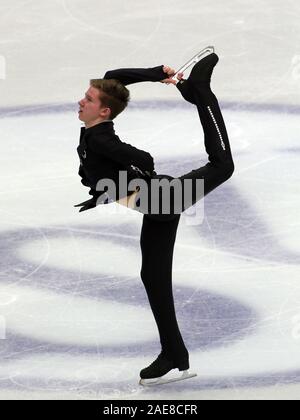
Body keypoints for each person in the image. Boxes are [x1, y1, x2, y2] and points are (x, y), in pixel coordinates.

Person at [75, 49, 234, 385]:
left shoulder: (100, 136)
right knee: (152, 276)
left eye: (87, 99)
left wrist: (132, 173)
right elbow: (112, 73)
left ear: (103, 111)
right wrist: (153, 73)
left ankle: (202, 93)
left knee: (222, 165)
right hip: (157, 206)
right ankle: (174, 356)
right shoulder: (94, 127)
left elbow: (142, 157)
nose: (80, 101)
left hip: (163, 199)